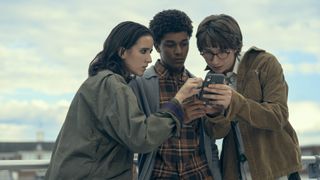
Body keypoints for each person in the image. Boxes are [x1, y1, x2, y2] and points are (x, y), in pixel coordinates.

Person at [45, 21, 203, 180]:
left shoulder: (99, 80)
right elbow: (141, 138)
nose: (148, 59)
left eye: (149, 52)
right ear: (122, 52)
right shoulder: (112, 84)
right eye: (143, 51)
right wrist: (178, 100)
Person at [195, 14, 302, 180]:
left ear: (236, 46)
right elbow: (216, 133)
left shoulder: (264, 63)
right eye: (207, 53)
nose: (215, 60)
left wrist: (233, 102)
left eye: (223, 52)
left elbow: (278, 116)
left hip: (277, 169)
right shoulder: (211, 81)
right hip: (237, 171)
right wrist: (215, 114)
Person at [129, 9, 221, 180]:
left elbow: (210, 139)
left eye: (184, 43)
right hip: (160, 174)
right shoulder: (139, 84)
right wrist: (178, 114)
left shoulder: (197, 84)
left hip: (200, 173)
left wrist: (216, 113)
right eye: (170, 45)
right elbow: (137, 136)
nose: (179, 51)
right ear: (157, 46)